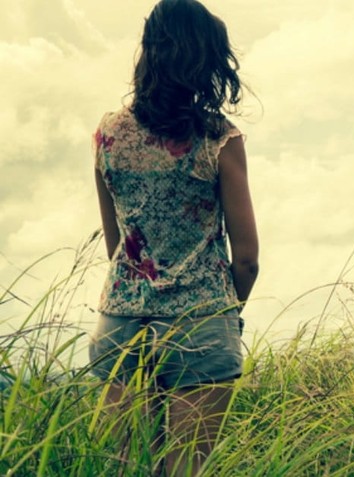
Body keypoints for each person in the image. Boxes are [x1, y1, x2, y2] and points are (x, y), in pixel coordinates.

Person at [88, 1, 258, 475]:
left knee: (127, 467)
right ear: (205, 60)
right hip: (201, 321)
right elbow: (247, 260)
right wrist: (223, 314)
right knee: (186, 471)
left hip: (121, 322)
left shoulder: (107, 135)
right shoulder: (219, 137)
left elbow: (116, 246)